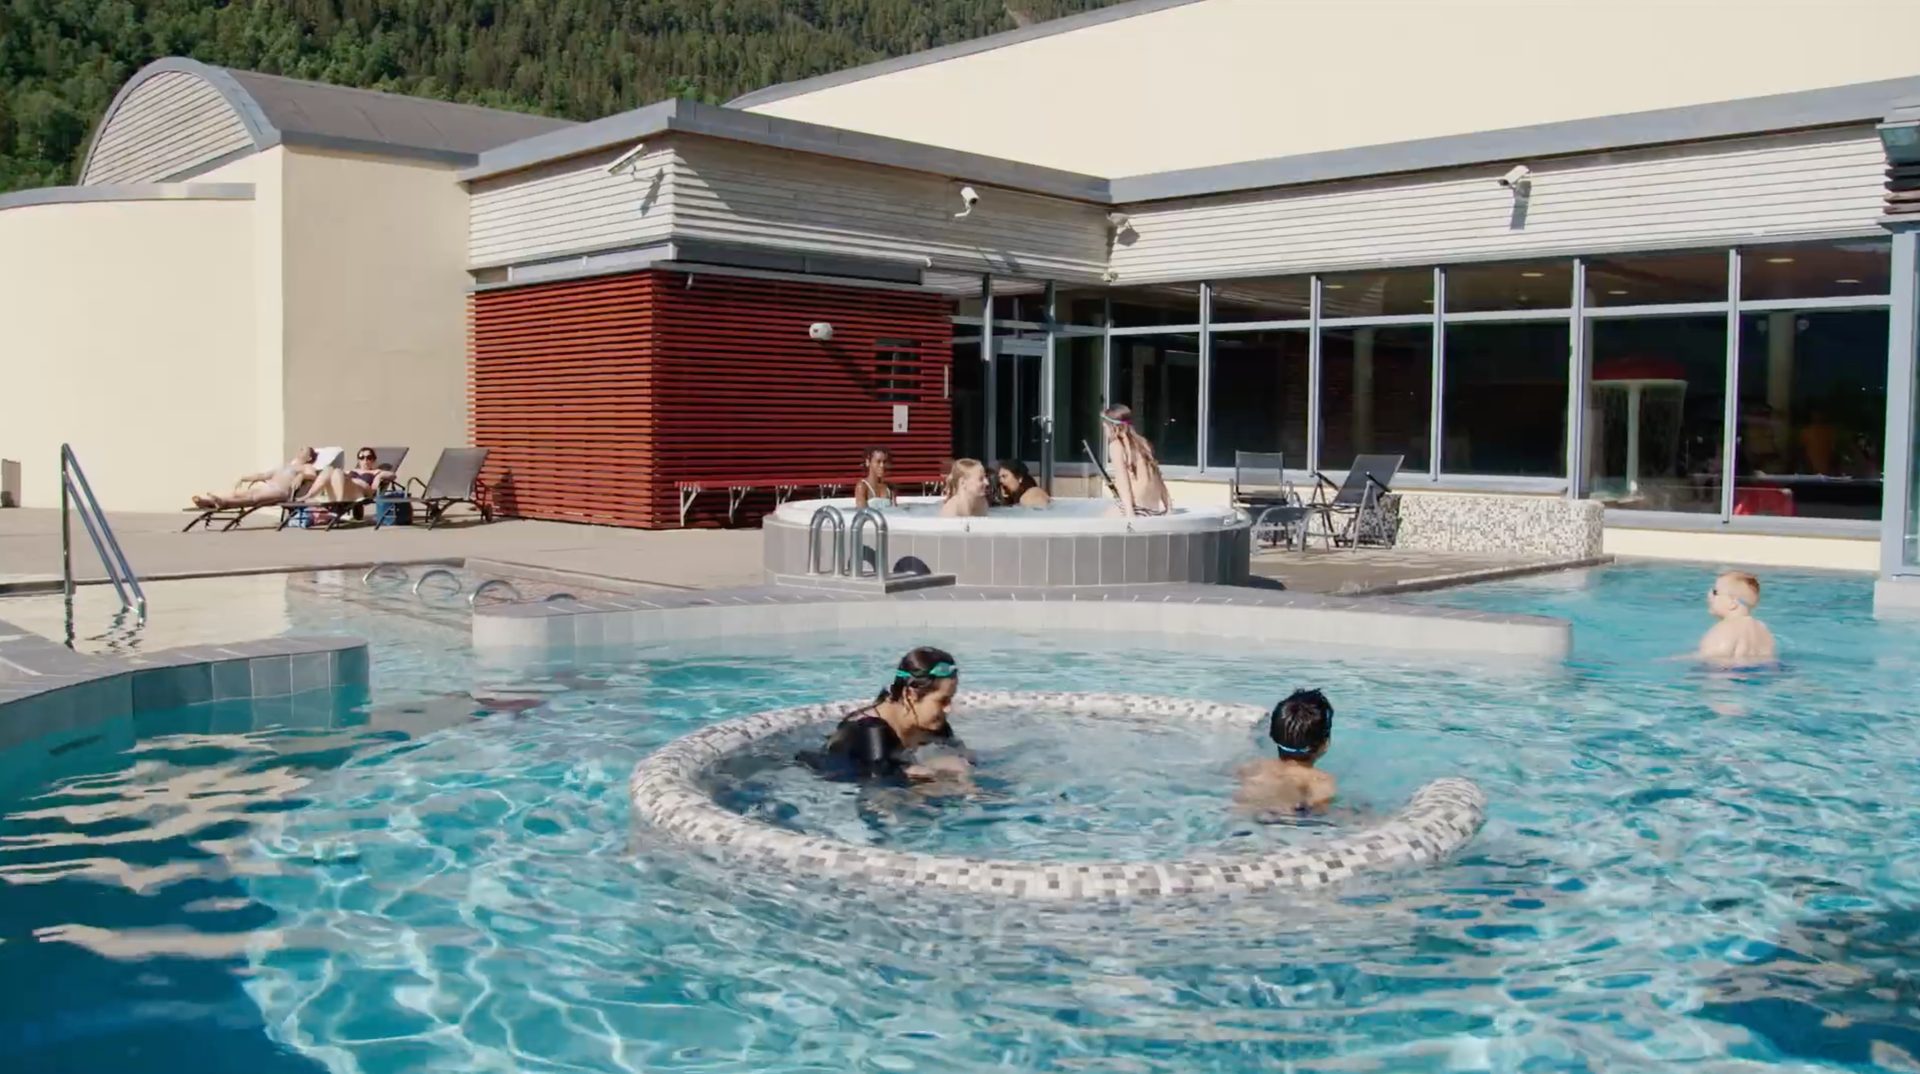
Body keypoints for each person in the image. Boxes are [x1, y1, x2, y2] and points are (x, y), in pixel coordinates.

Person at [800, 647, 970, 784]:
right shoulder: (871, 731)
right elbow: (879, 787)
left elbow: (963, 757)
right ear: (910, 695)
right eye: (942, 701)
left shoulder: (933, 724)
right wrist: (930, 768)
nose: (949, 709)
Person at [1235, 688, 1337, 815]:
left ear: (1272, 736)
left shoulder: (1252, 767)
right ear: (1325, 744)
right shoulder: (1321, 780)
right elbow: (1321, 812)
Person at [1101, 404, 1172, 517]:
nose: (1104, 431)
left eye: (1104, 427)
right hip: (1154, 510)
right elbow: (1157, 476)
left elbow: (1123, 481)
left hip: (1137, 508)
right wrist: (1168, 505)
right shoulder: (1143, 443)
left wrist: (1130, 513)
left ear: (1113, 427)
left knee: (1100, 521)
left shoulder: (1116, 446)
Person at [192, 448, 320, 509]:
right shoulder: (285, 465)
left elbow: (313, 476)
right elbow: (263, 476)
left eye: (304, 450)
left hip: (280, 492)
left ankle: (222, 503)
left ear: (309, 458)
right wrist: (244, 478)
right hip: (268, 487)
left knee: (253, 498)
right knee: (238, 493)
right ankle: (207, 501)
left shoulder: (306, 466)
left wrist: (302, 475)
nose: (300, 450)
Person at [1699, 570, 1778, 666]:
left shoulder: (1725, 628)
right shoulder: (1763, 630)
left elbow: (1713, 660)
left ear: (1732, 603)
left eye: (1715, 592)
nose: (1709, 595)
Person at [303, 447, 398, 504]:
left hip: (359, 492)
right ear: (358, 460)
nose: (365, 460)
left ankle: (340, 503)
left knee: (337, 471)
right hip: (345, 488)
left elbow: (393, 475)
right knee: (330, 469)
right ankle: (309, 495)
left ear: (373, 460)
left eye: (369, 457)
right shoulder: (352, 471)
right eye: (362, 457)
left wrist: (378, 476)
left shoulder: (375, 472)